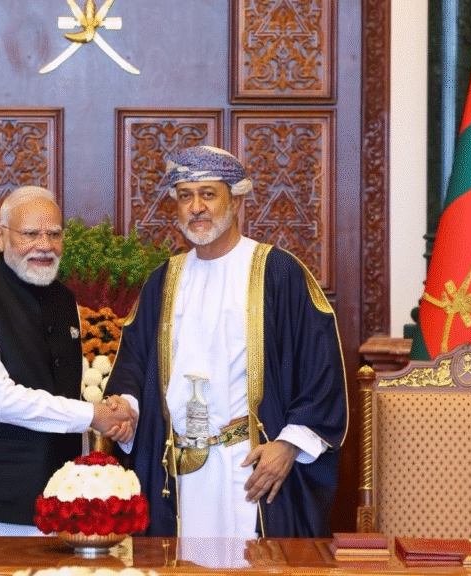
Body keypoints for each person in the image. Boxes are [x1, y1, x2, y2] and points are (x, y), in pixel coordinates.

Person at [104, 146, 348, 539]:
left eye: (208, 194)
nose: (196, 207)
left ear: (236, 201)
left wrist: (288, 445)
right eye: (185, 196)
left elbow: (321, 372)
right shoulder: (163, 281)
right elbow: (133, 363)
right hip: (176, 468)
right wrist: (126, 408)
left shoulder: (277, 273)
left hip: (250, 465)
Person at [0, 186, 136, 536]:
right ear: (0, 236)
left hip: (56, 502)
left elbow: (63, 391)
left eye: (54, 234)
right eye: (30, 234)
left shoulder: (65, 300)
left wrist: (114, 420)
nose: (44, 245)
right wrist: (93, 415)